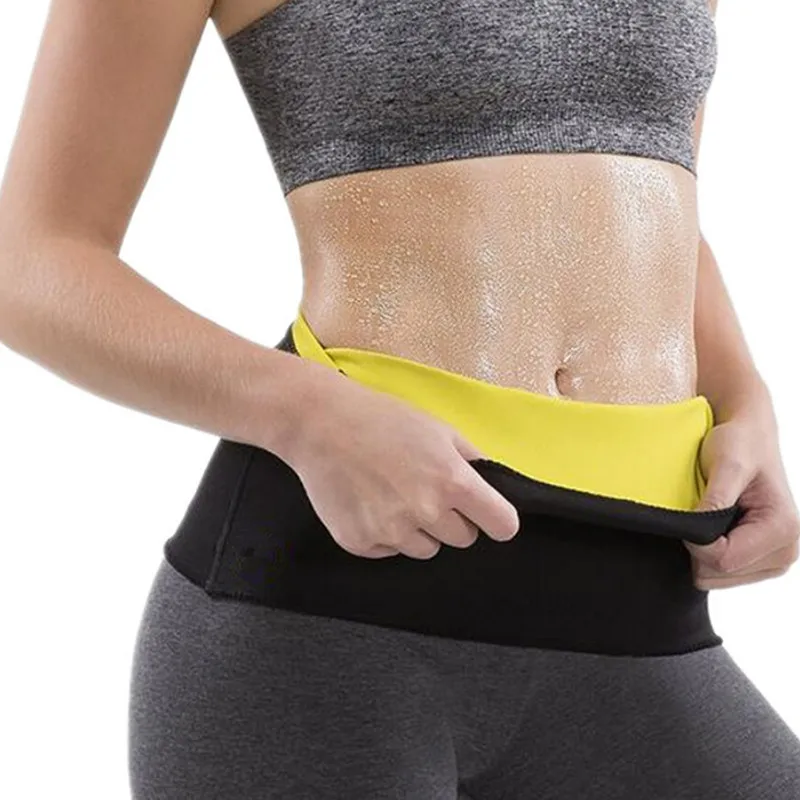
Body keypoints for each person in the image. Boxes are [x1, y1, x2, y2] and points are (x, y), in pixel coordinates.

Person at [1, 0, 799, 797]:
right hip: (328, 623)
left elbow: (651, 183)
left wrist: (742, 395)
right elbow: (29, 264)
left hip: (639, 585)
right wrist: (304, 413)